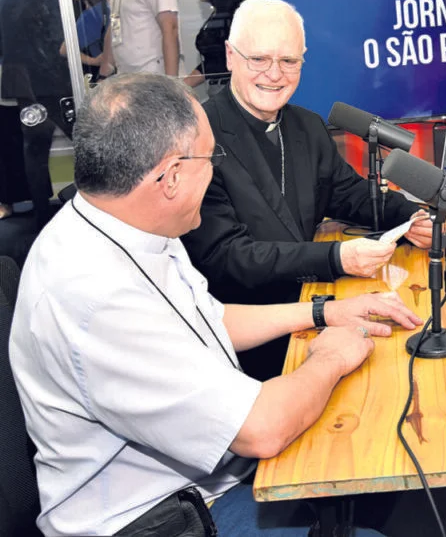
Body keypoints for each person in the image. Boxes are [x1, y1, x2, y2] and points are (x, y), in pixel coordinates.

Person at [10, 73, 413, 536]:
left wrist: (324, 311)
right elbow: (263, 429)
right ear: (171, 176)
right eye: (210, 158)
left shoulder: (132, 223)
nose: (215, 171)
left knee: (369, 462)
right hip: (162, 519)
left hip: (206, 482)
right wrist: (329, 357)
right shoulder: (96, 299)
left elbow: (206, 318)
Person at [181, 0, 432, 381]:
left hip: (319, 309)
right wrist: (336, 258)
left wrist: (410, 218)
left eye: (288, 61)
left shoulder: (307, 126)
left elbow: (348, 194)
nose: (274, 74)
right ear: (230, 56)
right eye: (259, 59)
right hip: (251, 343)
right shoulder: (197, 136)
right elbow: (227, 257)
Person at [0, 0, 74, 231]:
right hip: (54, 85)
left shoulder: (4, 2)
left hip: (22, 87)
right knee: (84, 141)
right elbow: (59, 46)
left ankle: (41, 215)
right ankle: (94, 204)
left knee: (34, 151)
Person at [184, 0, 245, 96]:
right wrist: (181, 85)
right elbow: (212, 62)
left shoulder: (232, 20)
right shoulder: (220, 17)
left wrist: (183, 85)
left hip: (229, 93)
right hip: (220, 90)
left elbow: (217, 64)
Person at [0, 0, 30, 219]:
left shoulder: (18, 13)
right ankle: (8, 200)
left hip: (16, 87)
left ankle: (26, 197)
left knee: (19, 142)